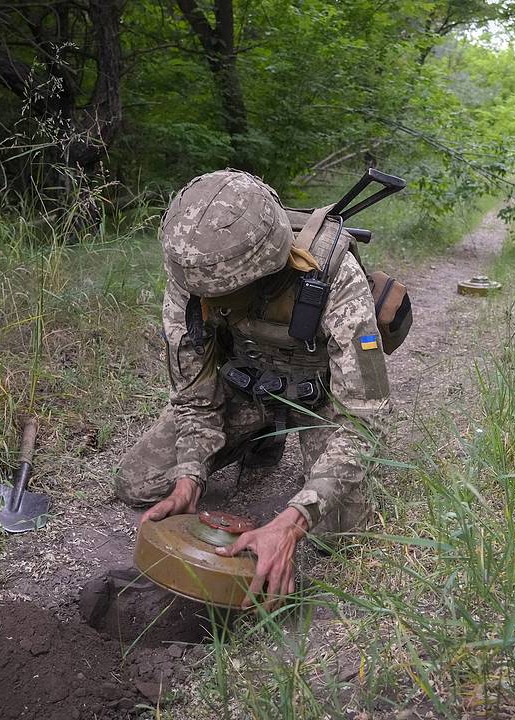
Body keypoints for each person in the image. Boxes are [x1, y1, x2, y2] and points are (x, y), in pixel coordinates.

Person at [115, 169, 390, 610]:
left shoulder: (337, 276)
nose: (204, 303)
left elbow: (364, 418)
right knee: (139, 482)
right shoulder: (192, 277)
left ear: (264, 272)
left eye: (224, 294)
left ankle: (272, 439)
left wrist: (293, 521)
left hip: (318, 402)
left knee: (338, 534)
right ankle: (258, 439)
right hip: (242, 390)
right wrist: (190, 474)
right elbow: (193, 397)